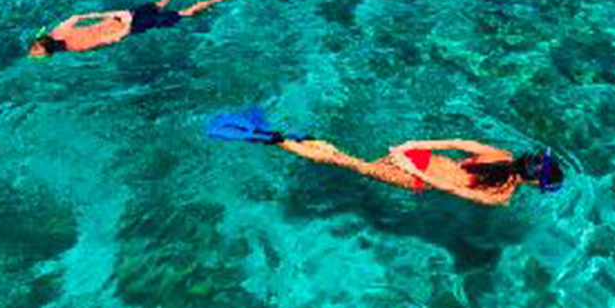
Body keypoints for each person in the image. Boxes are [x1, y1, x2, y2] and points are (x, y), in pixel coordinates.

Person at [207, 108, 564, 207]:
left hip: (421, 156)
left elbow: (457, 140)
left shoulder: (500, 154)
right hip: (415, 176)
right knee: (345, 162)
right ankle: (274, 138)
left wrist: (413, 146)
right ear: (535, 182)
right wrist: (409, 168)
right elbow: (452, 190)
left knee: (348, 157)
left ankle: (301, 138)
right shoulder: (502, 196)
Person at [29, 0, 236, 57]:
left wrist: (127, 26)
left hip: (130, 25)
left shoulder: (75, 46)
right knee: (161, 2)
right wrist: (113, 14)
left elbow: (113, 39)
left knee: (186, 13)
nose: (34, 54)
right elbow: (76, 17)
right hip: (121, 16)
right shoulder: (57, 31)